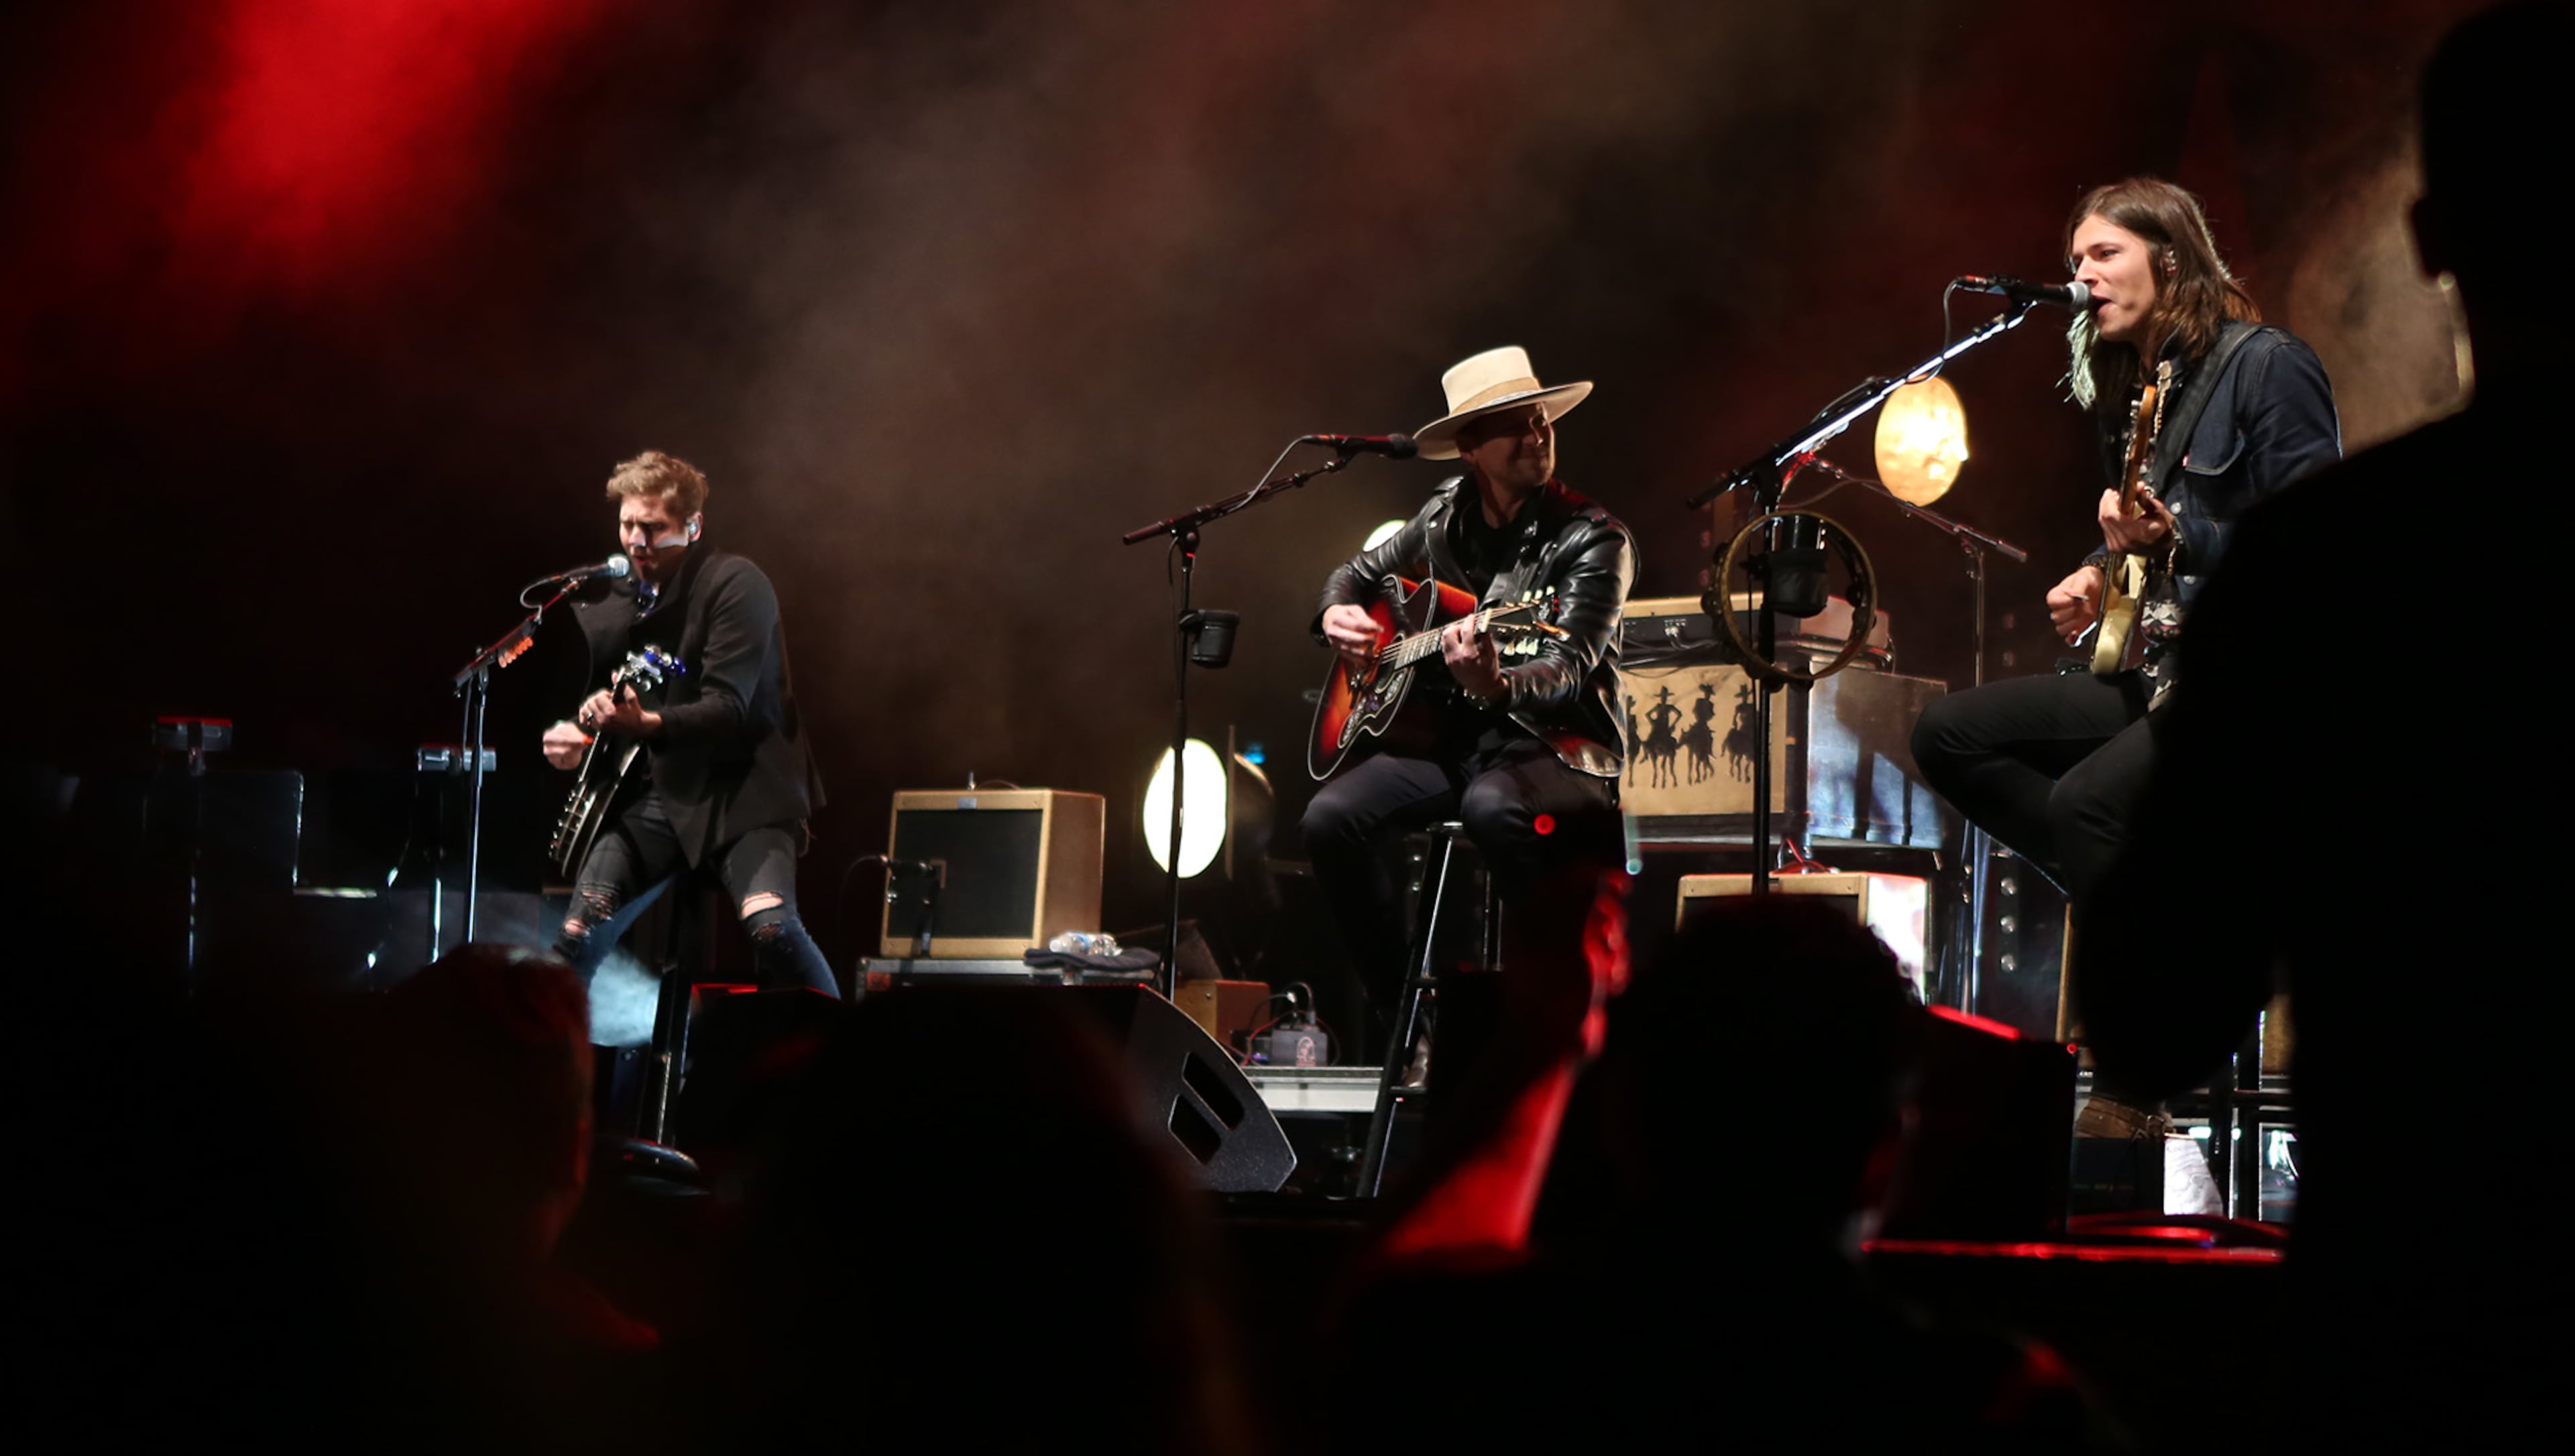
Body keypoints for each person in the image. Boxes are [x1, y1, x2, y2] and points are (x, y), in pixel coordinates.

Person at [2077, 7, 2562, 1448]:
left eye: (2103, 254)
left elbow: (2157, 1013)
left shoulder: (2338, 568)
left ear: (2429, 239)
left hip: (2426, 1312)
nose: (2081, 280)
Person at [1908, 179, 2338, 1130]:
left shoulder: (2267, 366)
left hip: (2253, 684)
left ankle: (2137, 1080)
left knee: (2086, 803)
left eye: (2103, 254)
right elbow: (2157, 545)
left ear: (2170, 257)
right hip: (2161, 674)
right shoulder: (2141, 388)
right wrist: (2101, 575)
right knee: (1949, 735)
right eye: (2075, 262)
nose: (2083, 277)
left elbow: (2314, 551)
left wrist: (2170, 542)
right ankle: (2191, 926)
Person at [1301, 346, 1636, 1032]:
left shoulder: (1593, 540)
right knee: (1329, 820)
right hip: (1457, 741)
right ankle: (1406, 1021)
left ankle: (1558, 1008)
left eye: (1542, 421)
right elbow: (1355, 574)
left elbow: (1567, 667)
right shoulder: (1443, 516)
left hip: (1561, 746)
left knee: (1492, 805)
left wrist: (1496, 683)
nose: (1537, 436)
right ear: (1469, 449)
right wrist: (1337, 614)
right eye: (1516, 425)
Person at [542, 450, 836, 997]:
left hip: (742, 792)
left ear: (692, 526)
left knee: (773, 930)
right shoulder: (620, 598)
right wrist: (583, 732)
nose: (636, 541)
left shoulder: (736, 584)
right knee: (576, 936)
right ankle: (549, 1071)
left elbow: (728, 707)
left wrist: (645, 723)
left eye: (653, 528)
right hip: (659, 797)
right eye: (628, 524)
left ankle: (838, 1056)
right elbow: (613, 696)